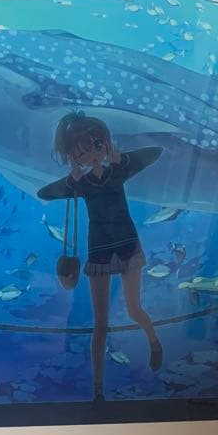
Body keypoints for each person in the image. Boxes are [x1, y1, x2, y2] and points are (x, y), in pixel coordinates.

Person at [37, 112, 164, 399]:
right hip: (100, 252)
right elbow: (46, 193)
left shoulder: (118, 171)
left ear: (106, 143)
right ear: (73, 156)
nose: (91, 154)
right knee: (101, 325)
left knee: (134, 309)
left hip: (128, 246)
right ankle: (97, 389)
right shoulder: (80, 184)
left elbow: (154, 153)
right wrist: (72, 180)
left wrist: (122, 159)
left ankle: (154, 343)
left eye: (97, 145)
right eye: (81, 152)